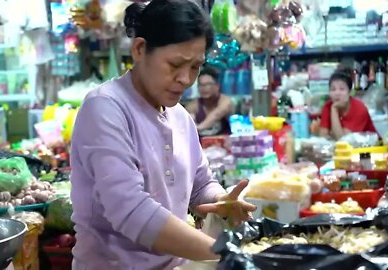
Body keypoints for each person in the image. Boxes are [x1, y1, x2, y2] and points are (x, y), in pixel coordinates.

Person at [70, 1, 256, 269]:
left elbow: (200, 184)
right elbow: (131, 211)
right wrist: (224, 252)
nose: (186, 79)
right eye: (175, 64)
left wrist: (220, 199)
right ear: (140, 49)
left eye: (196, 67)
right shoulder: (105, 107)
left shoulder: (179, 115)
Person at [319, 70, 377, 140]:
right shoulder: (327, 107)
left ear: (349, 92)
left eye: (342, 89)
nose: (337, 93)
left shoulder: (359, 109)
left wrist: (334, 109)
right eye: (333, 89)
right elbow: (323, 136)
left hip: (370, 148)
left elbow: (342, 140)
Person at [186, 67, 234, 136]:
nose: (204, 88)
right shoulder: (194, 105)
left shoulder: (225, 101)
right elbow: (189, 123)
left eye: (208, 84)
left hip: (223, 144)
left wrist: (198, 127)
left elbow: (217, 114)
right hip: (202, 145)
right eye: (201, 85)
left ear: (217, 86)